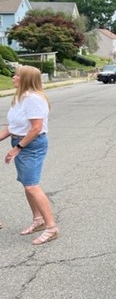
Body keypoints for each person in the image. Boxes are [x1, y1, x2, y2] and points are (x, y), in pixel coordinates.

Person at [2, 65, 57, 245]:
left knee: (32, 186)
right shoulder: (20, 98)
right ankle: (38, 219)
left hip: (31, 145)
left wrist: (17, 147)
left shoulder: (34, 99)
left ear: (25, 79)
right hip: (21, 142)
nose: (13, 77)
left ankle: (51, 228)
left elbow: (36, 128)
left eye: (16, 75)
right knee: (27, 185)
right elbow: (12, 127)